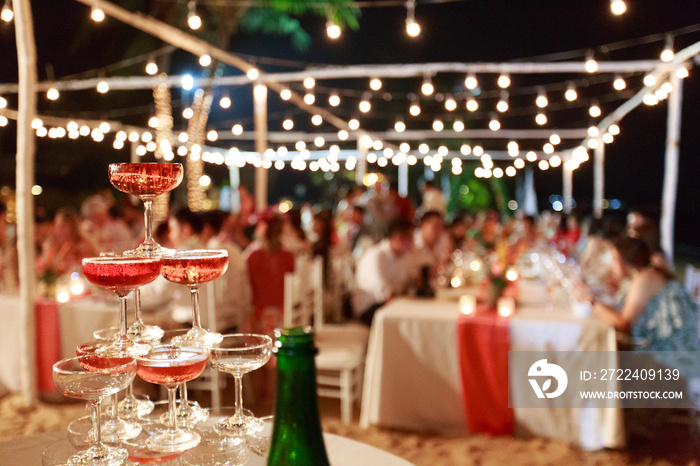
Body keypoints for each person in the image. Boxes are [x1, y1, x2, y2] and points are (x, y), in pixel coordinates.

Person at [590, 236, 699, 353]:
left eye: (614, 259)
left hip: (663, 354)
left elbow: (623, 325)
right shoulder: (645, 274)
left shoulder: (644, 279)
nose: (612, 265)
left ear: (625, 261)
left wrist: (592, 303)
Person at [351, 218, 414, 326]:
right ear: (398, 238)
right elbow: (386, 296)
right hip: (370, 308)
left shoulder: (403, 258)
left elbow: (407, 286)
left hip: (391, 304)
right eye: (410, 239)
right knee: (411, 319)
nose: (413, 244)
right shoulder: (375, 256)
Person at [246, 215, 296, 335]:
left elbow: (247, 289)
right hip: (283, 312)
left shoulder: (252, 256)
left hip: (259, 313)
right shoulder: (289, 256)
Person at [36, 207, 98, 279]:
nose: (59, 229)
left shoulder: (84, 244)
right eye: (57, 225)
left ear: (72, 226)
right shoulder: (51, 244)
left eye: (63, 226)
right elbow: (43, 266)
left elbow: (93, 264)